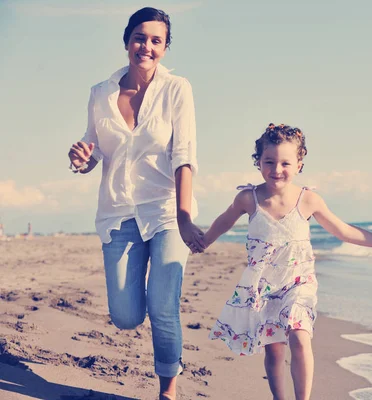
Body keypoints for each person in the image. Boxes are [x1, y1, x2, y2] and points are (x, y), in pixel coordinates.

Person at [67, 7, 205, 400]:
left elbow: (185, 155)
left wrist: (183, 217)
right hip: (118, 213)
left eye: (156, 40)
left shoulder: (178, 89)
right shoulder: (101, 93)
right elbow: (93, 151)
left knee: (163, 307)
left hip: (166, 211)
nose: (147, 46)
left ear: (165, 47)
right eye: (140, 37)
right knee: (126, 317)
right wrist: (81, 159)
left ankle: (168, 389)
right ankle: (154, 315)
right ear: (127, 40)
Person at [202, 123, 372, 400]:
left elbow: (344, 231)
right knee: (274, 349)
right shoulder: (248, 199)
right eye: (269, 161)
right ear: (258, 162)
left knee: (300, 336)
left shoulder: (308, 200)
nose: (277, 169)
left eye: (285, 163)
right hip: (263, 288)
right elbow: (224, 221)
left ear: (299, 164)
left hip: (298, 284)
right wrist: (203, 241)